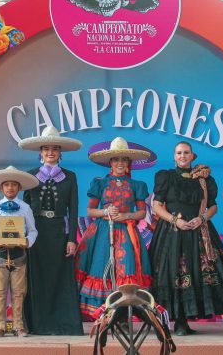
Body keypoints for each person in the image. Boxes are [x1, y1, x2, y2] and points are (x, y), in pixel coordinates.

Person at [149, 141, 223, 336]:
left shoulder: (204, 179)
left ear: (193, 156)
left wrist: (202, 219)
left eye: (186, 152)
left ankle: (187, 320)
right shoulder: (166, 177)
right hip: (172, 233)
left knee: (198, 273)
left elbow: (213, 206)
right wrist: (175, 221)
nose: (182, 156)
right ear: (174, 157)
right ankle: (178, 322)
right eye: (179, 153)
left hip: (199, 231)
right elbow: (156, 206)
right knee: (175, 273)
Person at [76, 137, 152, 320]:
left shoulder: (137, 185)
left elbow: (142, 213)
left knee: (126, 268)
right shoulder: (100, 183)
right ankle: (104, 314)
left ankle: (123, 313)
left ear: (128, 163)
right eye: (116, 159)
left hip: (127, 232)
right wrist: (105, 211)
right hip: (103, 231)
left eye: (123, 159)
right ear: (110, 162)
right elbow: (90, 210)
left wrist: (126, 216)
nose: (120, 163)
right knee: (101, 266)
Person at [18, 125, 84, 335]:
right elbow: (24, 210)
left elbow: (73, 210)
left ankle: (64, 324)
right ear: (41, 152)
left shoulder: (70, 176)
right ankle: (38, 324)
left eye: (54, 149)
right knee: (38, 277)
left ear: (60, 152)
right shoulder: (29, 176)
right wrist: (25, 237)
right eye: (46, 149)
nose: (50, 152)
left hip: (59, 232)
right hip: (37, 233)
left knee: (60, 277)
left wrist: (71, 238)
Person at [0, 166, 39, 338]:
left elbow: (33, 230)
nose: (10, 188)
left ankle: (18, 325)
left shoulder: (25, 208)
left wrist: (27, 241)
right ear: (1, 188)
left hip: (18, 255)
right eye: (6, 185)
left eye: (14, 185)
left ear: (19, 188)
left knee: (19, 292)